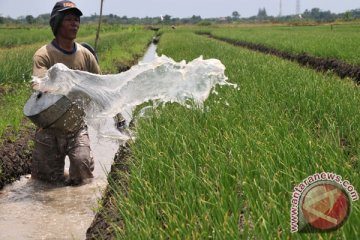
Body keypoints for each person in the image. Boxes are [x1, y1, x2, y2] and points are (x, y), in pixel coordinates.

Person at [31, 0, 100, 185]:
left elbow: (101, 88)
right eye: (69, 19)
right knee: (44, 184)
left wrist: (118, 117)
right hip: (48, 126)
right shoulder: (44, 54)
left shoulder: (86, 55)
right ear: (57, 22)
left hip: (76, 125)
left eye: (77, 20)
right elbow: (39, 85)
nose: (74, 23)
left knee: (81, 168)